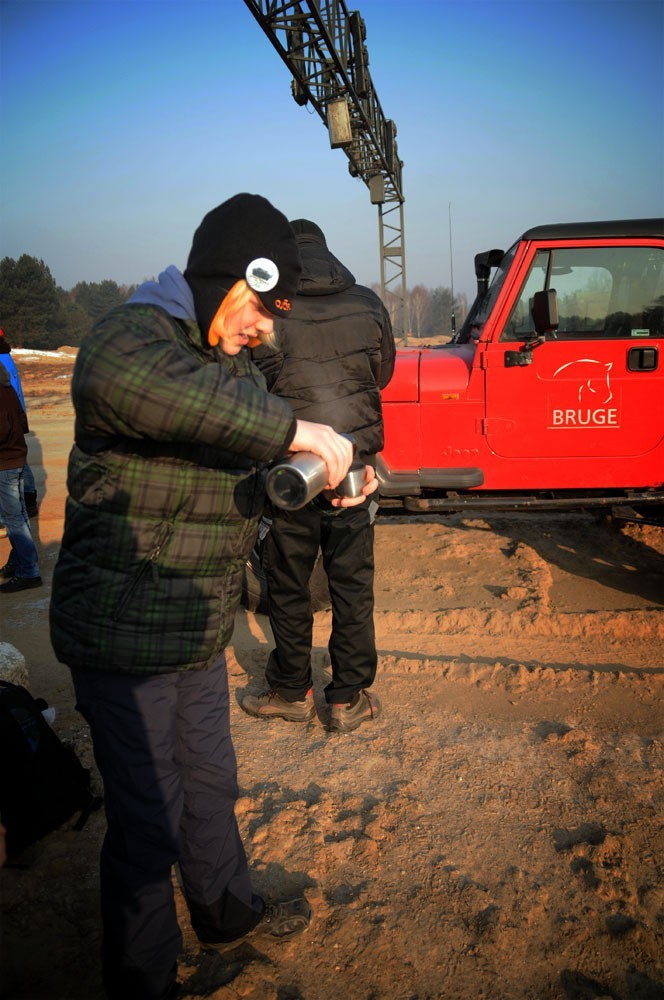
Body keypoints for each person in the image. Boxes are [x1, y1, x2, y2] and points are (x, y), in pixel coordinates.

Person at [49, 194, 354, 1000]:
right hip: (122, 639)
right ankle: (143, 977)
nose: (261, 331)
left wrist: (319, 481)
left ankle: (225, 911)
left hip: (192, 631)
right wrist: (293, 432)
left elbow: (243, 466)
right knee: (148, 820)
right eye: (259, 308)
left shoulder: (232, 366)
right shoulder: (130, 338)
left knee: (211, 786)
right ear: (227, 276)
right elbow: (178, 402)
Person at [241, 218, 395, 733]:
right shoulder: (368, 302)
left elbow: (252, 383)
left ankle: (290, 690)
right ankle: (347, 698)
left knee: (288, 585)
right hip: (352, 467)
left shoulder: (271, 308)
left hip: (289, 472)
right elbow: (384, 372)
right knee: (353, 586)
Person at [0, 364, 42, 593]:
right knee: (18, 515)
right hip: (14, 457)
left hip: (5, 462)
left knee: (13, 518)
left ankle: (29, 571)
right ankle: (20, 562)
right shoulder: (6, 385)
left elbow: (3, 427)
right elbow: (20, 421)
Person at [0, 329, 38, 517]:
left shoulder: (2, 358)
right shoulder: (5, 355)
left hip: (9, 418)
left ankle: (27, 500)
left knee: (13, 461)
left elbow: (9, 390)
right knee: (17, 460)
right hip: (12, 416)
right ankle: (27, 500)